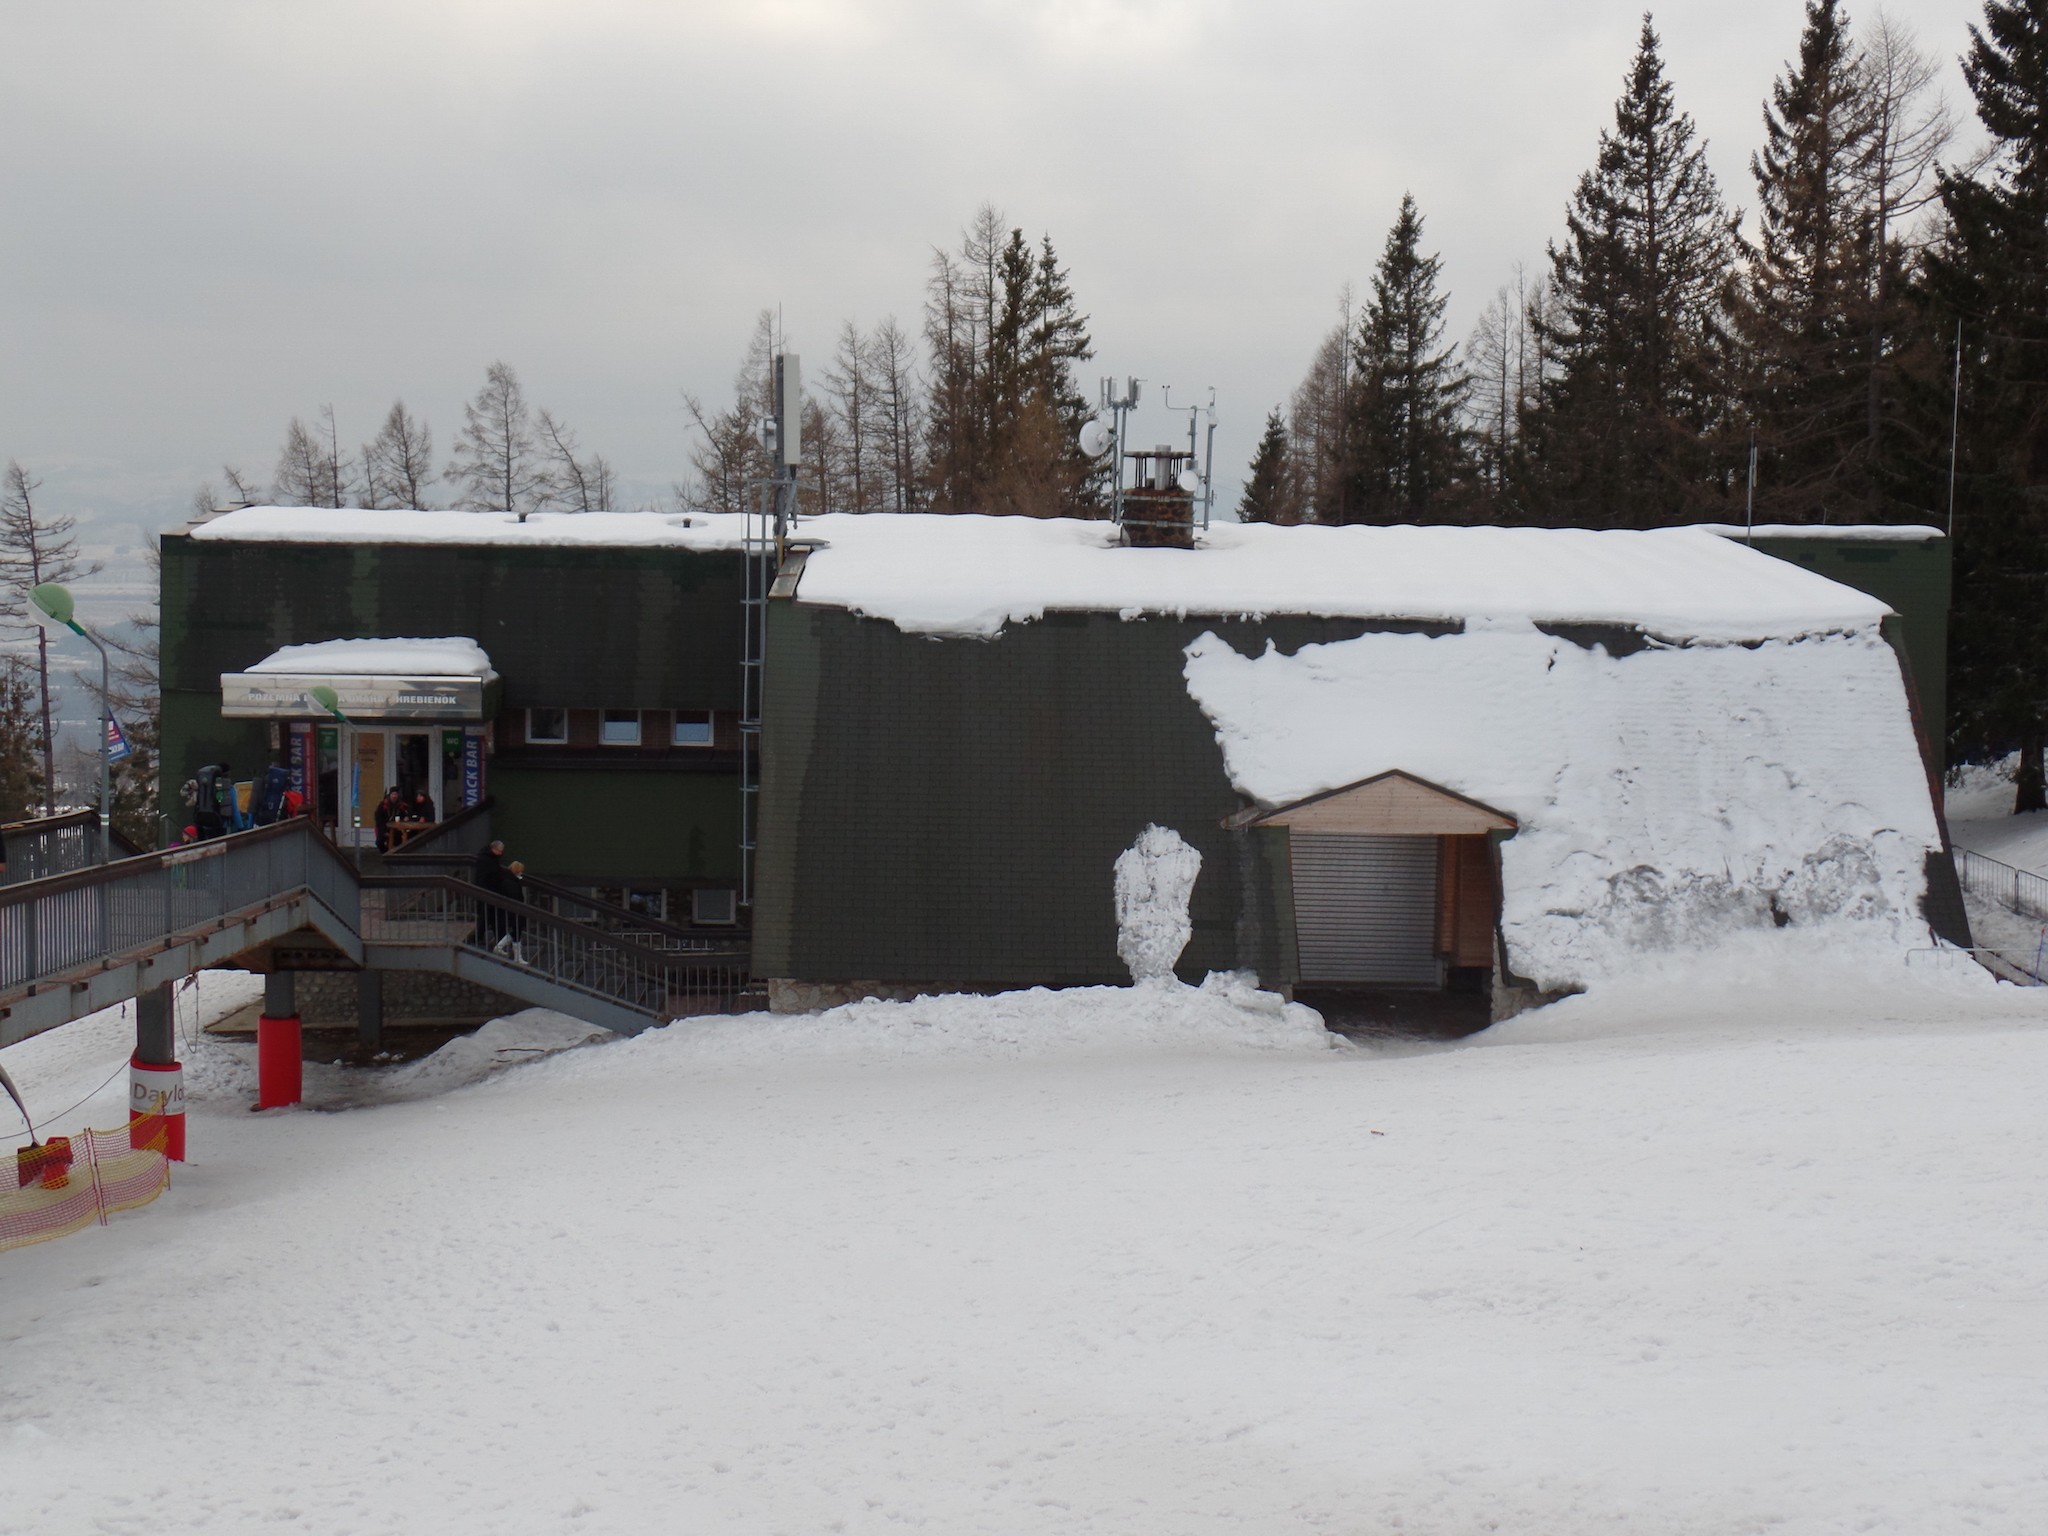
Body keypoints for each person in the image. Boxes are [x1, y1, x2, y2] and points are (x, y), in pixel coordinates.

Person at [373, 787, 403, 853]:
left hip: (396, 829)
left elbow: (403, 815)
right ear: (390, 795)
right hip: (383, 828)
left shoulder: (401, 806)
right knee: (379, 843)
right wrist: (384, 831)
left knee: (398, 842)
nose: (394, 796)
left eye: (396, 794)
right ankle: (385, 853)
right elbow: (378, 819)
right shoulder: (382, 805)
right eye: (393, 794)